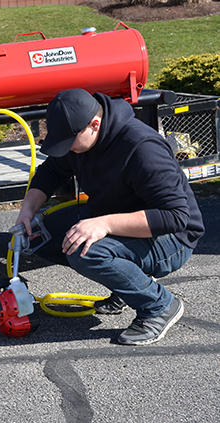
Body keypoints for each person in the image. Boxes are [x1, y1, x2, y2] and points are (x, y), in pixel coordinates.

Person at [15, 88, 204, 346]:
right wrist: (28, 209)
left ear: (95, 124)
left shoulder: (141, 148)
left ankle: (159, 305)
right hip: (122, 223)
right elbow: (51, 172)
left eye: (69, 141)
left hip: (172, 238)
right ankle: (127, 287)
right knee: (40, 236)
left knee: (84, 250)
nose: (67, 148)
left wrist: (103, 224)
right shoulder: (81, 139)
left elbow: (174, 217)